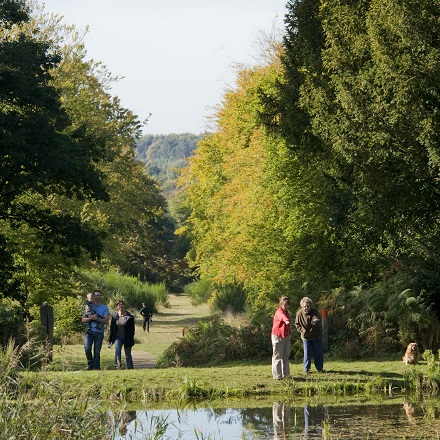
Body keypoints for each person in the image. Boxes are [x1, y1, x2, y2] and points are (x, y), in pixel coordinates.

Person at [81, 289, 110, 370]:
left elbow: (106, 320)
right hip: (89, 332)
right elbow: (83, 320)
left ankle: (96, 368)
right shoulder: (88, 307)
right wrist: (91, 318)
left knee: (97, 352)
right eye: (96, 295)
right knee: (87, 349)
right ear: (93, 296)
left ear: (101, 297)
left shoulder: (105, 308)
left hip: (99, 332)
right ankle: (90, 366)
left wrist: (97, 319)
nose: (98, 297)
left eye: (99, 295)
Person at [294, 296, 324, 373]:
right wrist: (301, 330)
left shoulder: (314, 311)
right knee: (307, 354)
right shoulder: (299, 313)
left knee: (318, 353)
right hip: (306, 337)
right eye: (305, 306)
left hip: (316, 335)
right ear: (302, 306)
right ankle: (306, 369)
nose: (306, 308)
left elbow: (316, 318)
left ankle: (319, 368)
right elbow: (297, 324)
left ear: (310, 306)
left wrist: (315, 321)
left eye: (308, 306)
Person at [108, 300, 135, 369]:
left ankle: (130, 368)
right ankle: (118, 367)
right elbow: (112, 328)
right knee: (117, 352)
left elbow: (132, 329)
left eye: (122, 304)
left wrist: (131, 338)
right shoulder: (114, 316)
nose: (121, 306)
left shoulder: (130, 317)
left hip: (127, 337)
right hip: (117, 337)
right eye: (119, 305)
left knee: (128, 354)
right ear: (117, 307)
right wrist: (110, 339)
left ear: (124, 305)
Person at [271, 295, 291, 380]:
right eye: (285, 305)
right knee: (277, 356)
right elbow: (282, 317)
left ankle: (286, 375)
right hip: (278, 336)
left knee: (285, 356)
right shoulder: (279, 312)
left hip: (286, 336)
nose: (286, 306)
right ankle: (278, 376)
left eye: (287, 305)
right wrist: (286, 321)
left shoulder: (286, 312)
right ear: (281, 304)